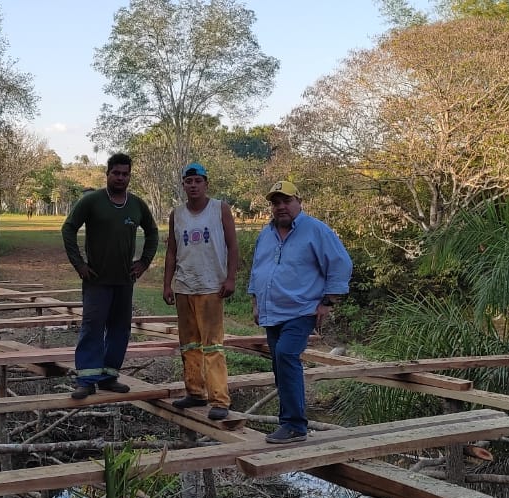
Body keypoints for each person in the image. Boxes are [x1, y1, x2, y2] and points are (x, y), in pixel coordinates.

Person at [248, 181, 353, 443]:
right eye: (275, 202)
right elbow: (257, 268)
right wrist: (255, 301)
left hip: (301, 310)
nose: (281, 207)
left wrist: (328, 302)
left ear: (299, 201)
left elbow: (340, 264)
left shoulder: (316, 230)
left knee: (286, 355)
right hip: (272, 311)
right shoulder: (266, 234)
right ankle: (288, 423)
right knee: (278, 363)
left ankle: (295, 425)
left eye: (286, 200)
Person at [62, 153, 160, 399]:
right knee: (92, 327)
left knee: (119, 329)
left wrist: (144, 262)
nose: (120, 177)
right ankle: (86, 379)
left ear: (129, 176)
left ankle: (108, 377)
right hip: (96, 279)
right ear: (107, 174)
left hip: (124, 281)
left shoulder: (136, 205)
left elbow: (152, 232)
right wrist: (79, 265)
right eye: (116, 173)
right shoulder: (93, 201)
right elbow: (69, 228)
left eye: (125, 174)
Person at [163, 163, 239, 420]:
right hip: (185, 286)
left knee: (213, 346)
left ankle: (219, 399)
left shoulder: (220, 209)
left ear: (206, 183)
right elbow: (172, 250)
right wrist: (167, 283)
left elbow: (232, 245)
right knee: (189, 344)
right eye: (188, 181)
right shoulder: (178, 214)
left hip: (211, 287)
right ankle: (195, 392)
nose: (193, 185)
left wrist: (230, 278)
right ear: (183, 185)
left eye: (198, 180)